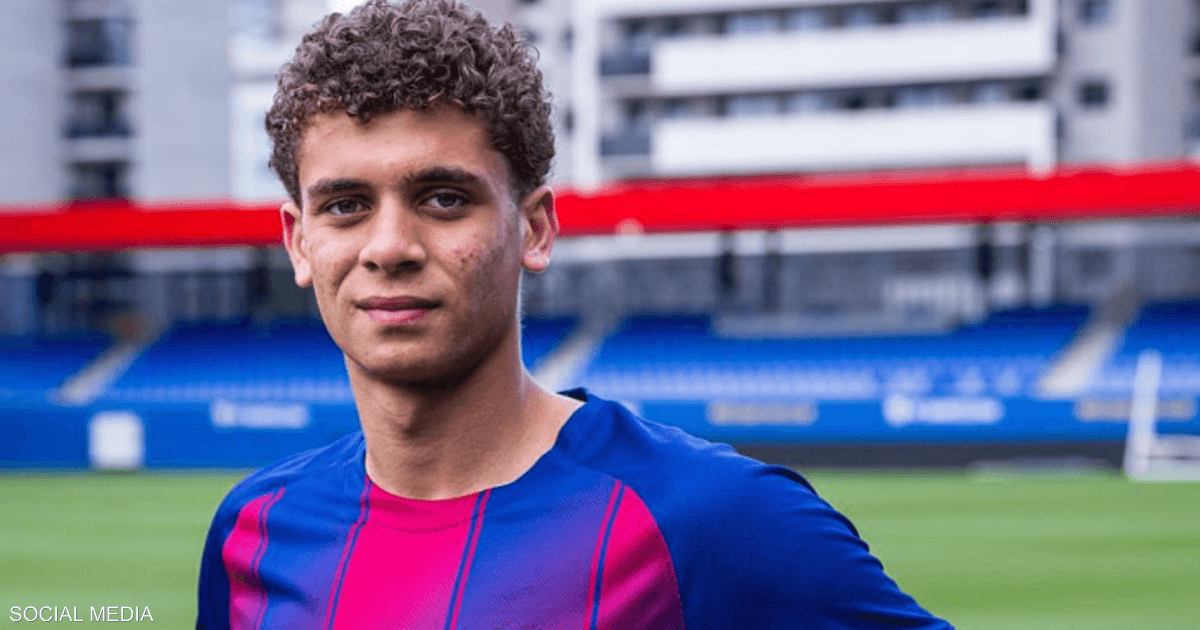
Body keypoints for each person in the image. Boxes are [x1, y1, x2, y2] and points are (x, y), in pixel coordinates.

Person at [196, 1, 955, 628]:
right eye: (345, 206)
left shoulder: (718, 518)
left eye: (444, 199)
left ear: (534, 229)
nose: (390, 246)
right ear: (299, 242)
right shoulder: (251, 534)